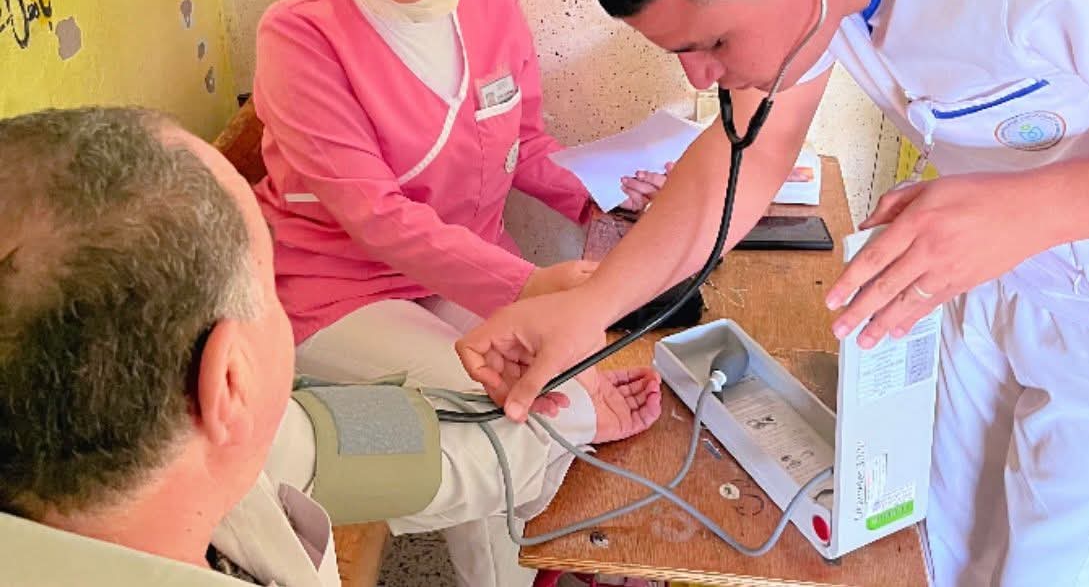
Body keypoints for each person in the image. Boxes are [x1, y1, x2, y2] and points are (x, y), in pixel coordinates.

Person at [457, 0, 1089, 587]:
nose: (700, 77)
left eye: (712, 44)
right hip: (998, 271)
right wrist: (590, 308)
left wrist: (1028, 211)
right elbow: (748, 149)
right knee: (933, 553)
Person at [252, 0, 663, 585]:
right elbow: (374, 215)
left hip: (460, 274)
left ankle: (518, 563)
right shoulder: (298, 37)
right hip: (338, 291)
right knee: (506, 405)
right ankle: (538, 522)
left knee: (538, 387)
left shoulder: (490, 10)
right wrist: (532, 284)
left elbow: (523, 142)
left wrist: (601, 193)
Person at [0, 106, 662, 586]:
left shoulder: (210, 443)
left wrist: (578, 413)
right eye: (269, 281)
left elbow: (401, 451)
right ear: (229, 378)